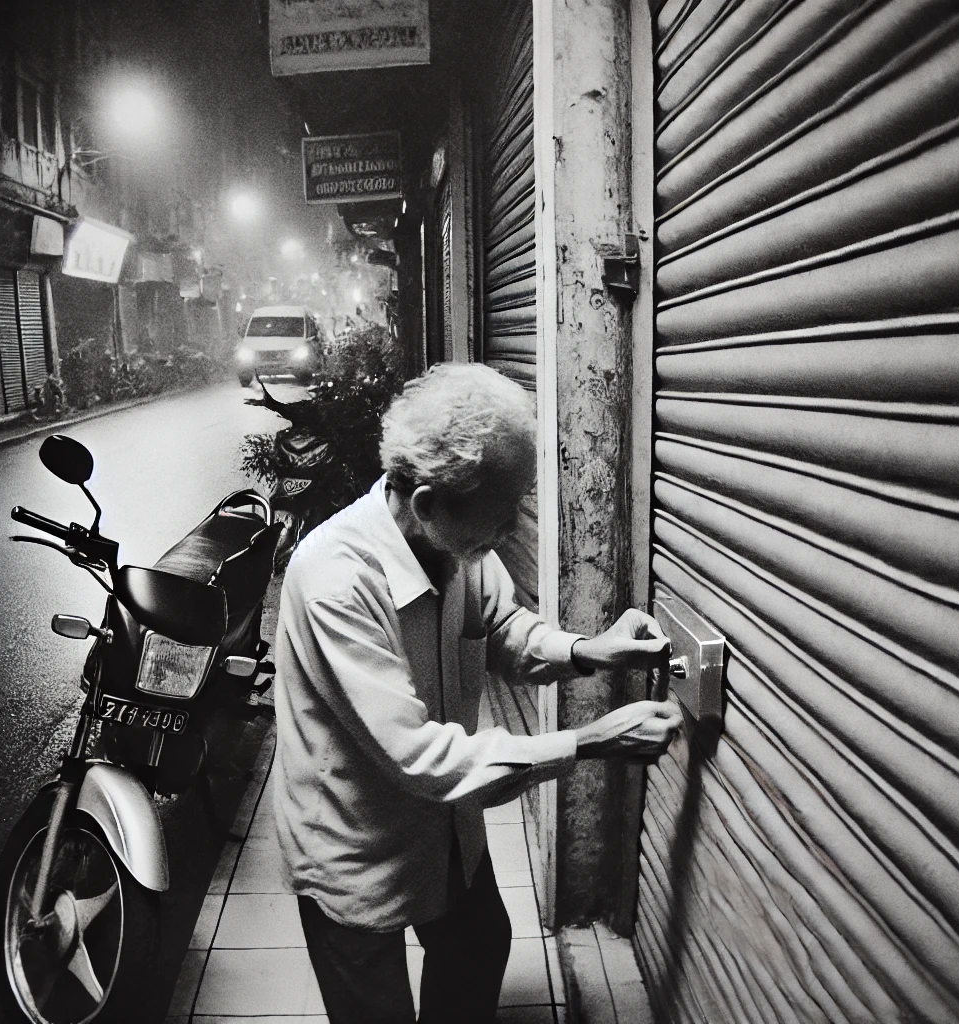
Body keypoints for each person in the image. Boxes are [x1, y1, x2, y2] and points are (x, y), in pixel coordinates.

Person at [272, 362, 682, 1024]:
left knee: (479, 943)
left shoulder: (458, 545)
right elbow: (420, 757)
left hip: (446, 825)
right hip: (355, 841)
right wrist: (590, 743)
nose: (509, 531)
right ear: (427, 503)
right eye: (500, 515)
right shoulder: (336, 579)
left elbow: (500, 628)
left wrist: (588, 650)